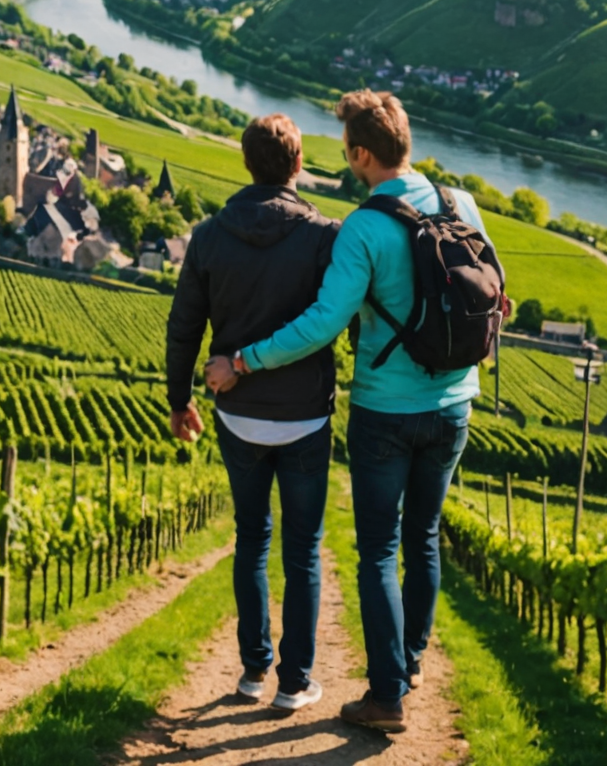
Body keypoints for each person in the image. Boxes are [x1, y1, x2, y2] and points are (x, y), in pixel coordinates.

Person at [205, 90, 499, 734]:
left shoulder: (365, 226)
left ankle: (386, 694)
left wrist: (245, 361)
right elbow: (497, 297)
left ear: (364, 153)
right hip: (455, 403)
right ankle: (411, 662)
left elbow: (321, 324)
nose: (346, 163)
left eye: (347, 153)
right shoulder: (462, 204)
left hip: (385, 412)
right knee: (423, 536)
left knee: (377, 552)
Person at [164, 113, 340, 712]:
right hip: (307, 419)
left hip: (236, 416)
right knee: (303, 548)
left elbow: (184, 324)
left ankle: (252, 672)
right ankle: (295, 683)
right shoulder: (324, 235)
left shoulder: (210, 235)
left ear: (246, 163)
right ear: (297, 166)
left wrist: (179, 398)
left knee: (251, 539)